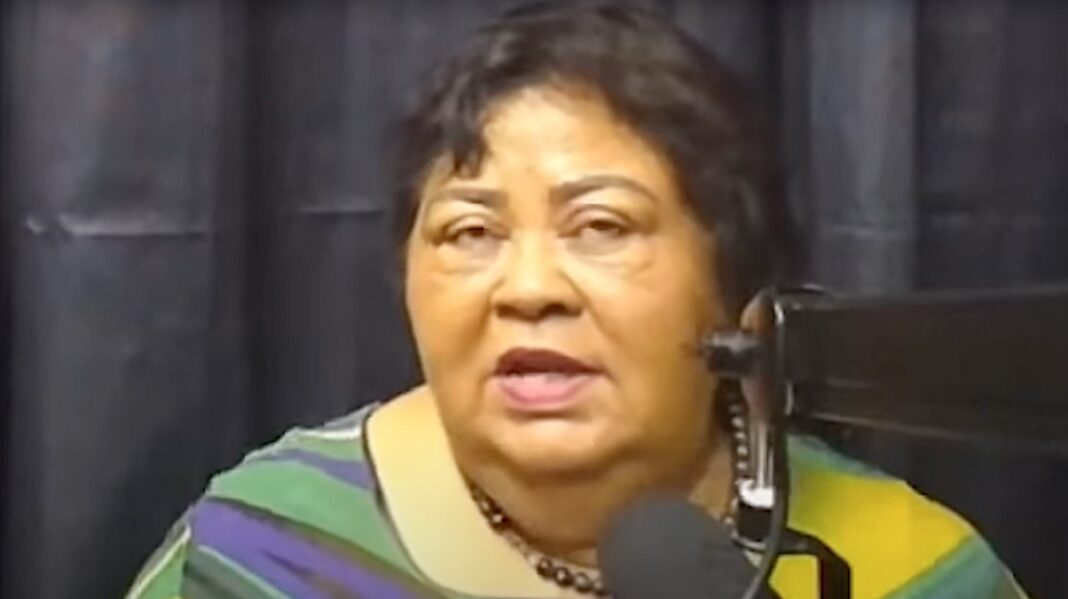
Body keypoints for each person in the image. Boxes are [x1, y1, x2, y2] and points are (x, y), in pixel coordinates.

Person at [127, 2, 1027, 598]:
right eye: (470, 231)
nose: (529, 289)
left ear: (735, 291)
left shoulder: (906, 566)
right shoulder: (261, 551)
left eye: (601, 226)